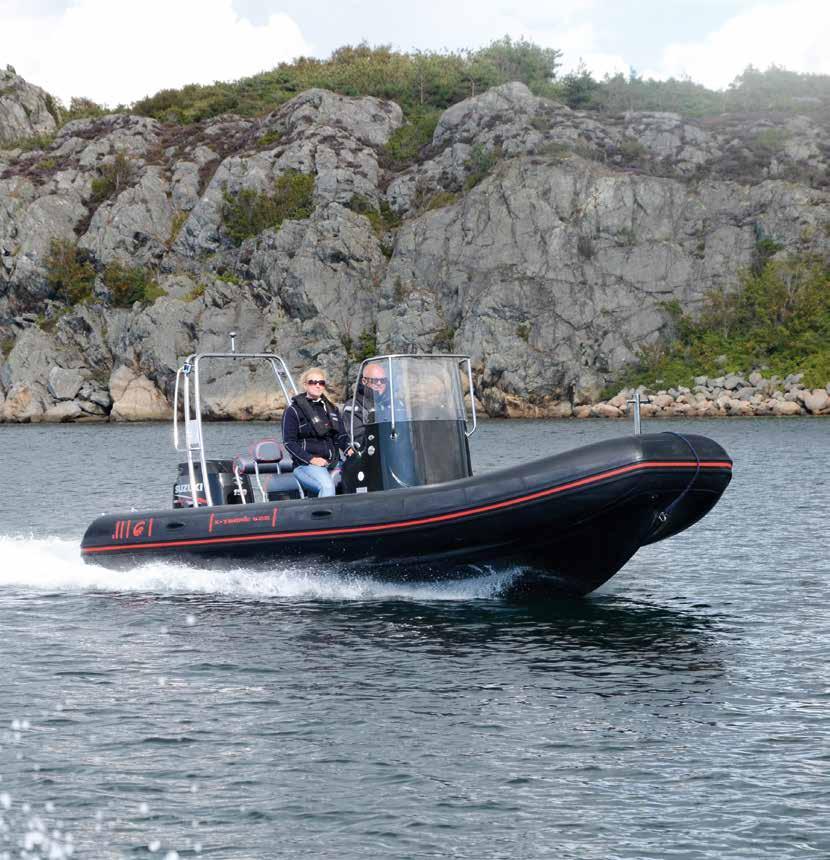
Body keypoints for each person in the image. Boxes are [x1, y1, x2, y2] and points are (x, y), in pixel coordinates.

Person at [282, 367, 352, 497]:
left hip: (333, 461)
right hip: (306, 465)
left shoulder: (332, 409)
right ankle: (326, 515)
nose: (317, 386)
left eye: (321, 383)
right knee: (327, 487)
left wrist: (349, 449)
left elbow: (341, 435)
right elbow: (289, 442)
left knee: (360, 478)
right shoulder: (293, 411)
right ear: (305, 385)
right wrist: (311, 459)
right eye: (313, 382)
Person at [342, 362, 391, 451]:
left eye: (383, 380)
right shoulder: (353, 406)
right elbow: (358, 437)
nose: (379, 383)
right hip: (372, 454)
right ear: (364, 381)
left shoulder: (394, 403)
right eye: (375, 380)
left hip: (396, 454)